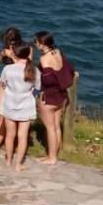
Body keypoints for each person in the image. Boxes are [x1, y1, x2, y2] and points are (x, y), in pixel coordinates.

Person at [0, 27, 25, 155]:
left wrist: (13, 56)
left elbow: (26, 64)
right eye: (8, 42)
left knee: (4, 115)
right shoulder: (6, 49)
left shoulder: (24, 49)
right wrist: (3, 54)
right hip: (4, 80)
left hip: (16, 84)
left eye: (12, 42)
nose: (10, 44)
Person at [36, 31, 74, 165]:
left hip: (49, 96)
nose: (35, 45)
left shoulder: (44, 59)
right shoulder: (58, 52)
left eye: (36, 42)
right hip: (61, 95)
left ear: (42, 44)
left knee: (50, 128)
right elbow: (68, 69)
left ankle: (52, 157)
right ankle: (55, 153)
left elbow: (48, 80)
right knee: (57, 126)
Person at [1, 43, 39, 172]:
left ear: (15, 55)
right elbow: (38, 87)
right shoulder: (33, 70)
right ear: (28, 54)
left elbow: (3, 83)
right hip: (26, 106)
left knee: (10, 135)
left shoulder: (8, 69)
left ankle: (8, 160)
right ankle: (18, 164)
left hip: (10, 104)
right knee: (23, 136)